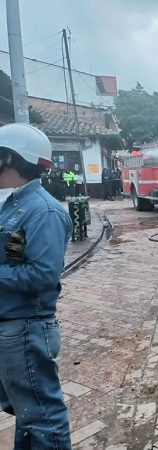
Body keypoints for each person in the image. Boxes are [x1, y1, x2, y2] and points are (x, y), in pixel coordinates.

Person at [0, 123, 72, 448]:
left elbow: (43, 275)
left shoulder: (43, 211)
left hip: (25, 327)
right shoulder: (12, 205)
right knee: (27, 412)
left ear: (8, 159)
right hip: (12, 326)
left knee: (42, 415)